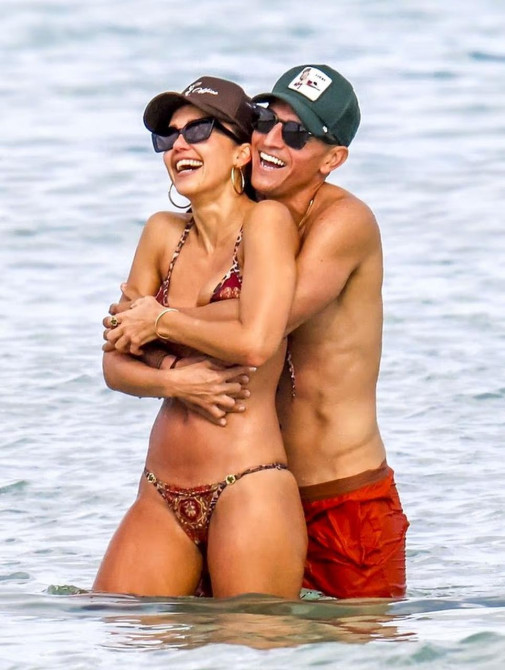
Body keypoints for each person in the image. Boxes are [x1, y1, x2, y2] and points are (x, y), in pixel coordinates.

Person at [106, 64, 410, 600]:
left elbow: (265, 324)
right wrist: (168, 366)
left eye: (297, 134)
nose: (272, 139)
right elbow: (150, 340)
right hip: (233, 478)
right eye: (266, 121)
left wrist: (154, 320)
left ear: (333, 159)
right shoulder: (233, 217)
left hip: (335, 490)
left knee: (345, 642)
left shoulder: (340, 223)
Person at [93, 76, 307, 599]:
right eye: (168, 137)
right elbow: (114, 364)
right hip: (160, 491)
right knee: (111, 622)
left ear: (241, 153)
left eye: (199, 130)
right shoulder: (161, 232)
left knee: (249, 637)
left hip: (248, 482)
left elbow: (256, 341)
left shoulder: (267, 223)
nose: (179, 146)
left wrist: (158, 322)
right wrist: (175, 380)